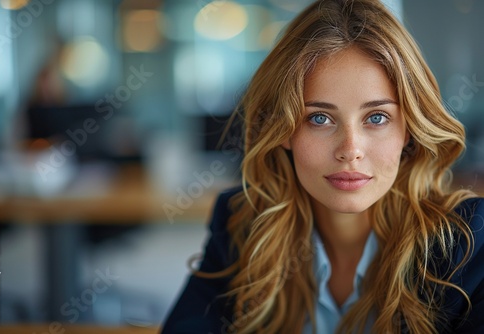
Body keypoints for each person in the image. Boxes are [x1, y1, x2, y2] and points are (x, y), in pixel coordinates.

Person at [161, 0, 484, 333]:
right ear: (283, 129)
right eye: (319, 118)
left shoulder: (470, 240)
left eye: (376, 117)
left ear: (409, 129)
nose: (350, 151)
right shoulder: (241, 224)